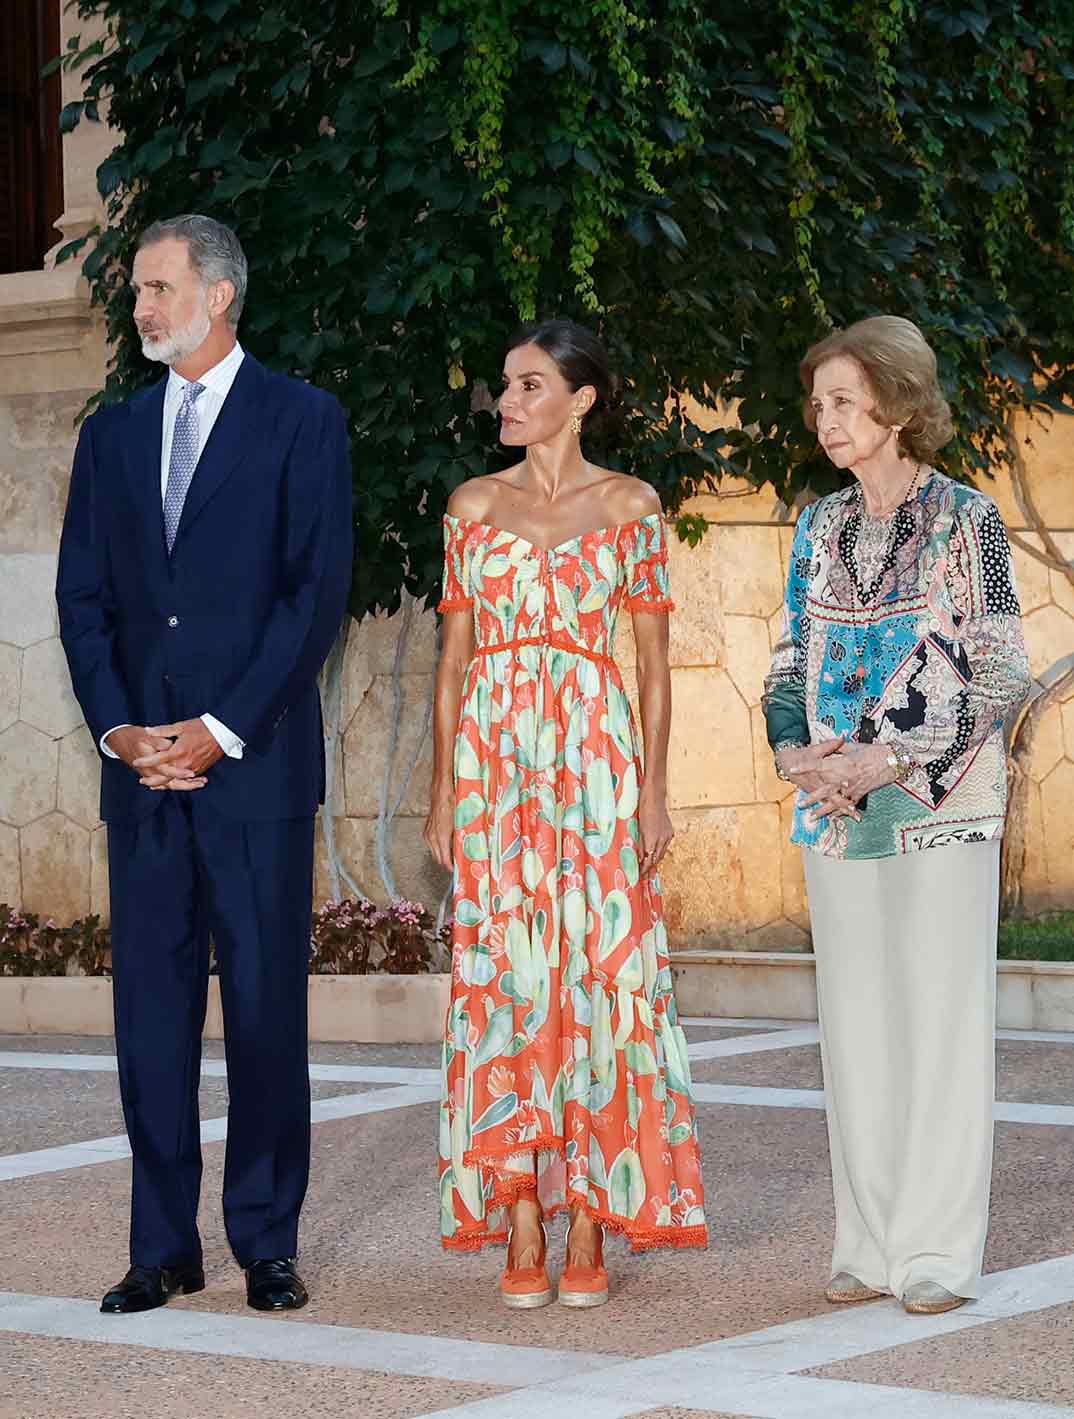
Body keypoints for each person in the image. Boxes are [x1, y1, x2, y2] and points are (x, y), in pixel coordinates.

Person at [56, 214, 352, 1315]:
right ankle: (161, 1247)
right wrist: (123, 731)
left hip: (254, 768)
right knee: (151, 1018)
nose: (142, 305)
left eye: (160, 287)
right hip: (140, 779)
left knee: (268, 1010)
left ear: (219, 296)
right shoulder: (112, 436)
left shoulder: (303, 421)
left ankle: (265, 1241)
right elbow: (82, 600)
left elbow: (311, 595)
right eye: (140, 289)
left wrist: (220, 729)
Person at [424, 319, 706, 1308]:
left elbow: (655, 668)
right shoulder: (470, 505)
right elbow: (453, 666)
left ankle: (592, 1207)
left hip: (594, 769)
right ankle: (522, 1212)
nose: (506, 401)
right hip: (499, 768)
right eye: (505, 384)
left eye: (530, 384)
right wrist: (441, 795)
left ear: (582, 400)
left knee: (599, 980)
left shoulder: (631, 505)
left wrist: (656, 793)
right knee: (508, 982)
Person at [764, 315, 1030, 1315]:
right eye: (818, 401)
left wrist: (891, 757)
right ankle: (870, 1242)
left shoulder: (974, 522)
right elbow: (788, 653)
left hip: (940, 805)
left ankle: (935, 1255)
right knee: (857, 1026)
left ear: (897, 400)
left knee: (940, 1023)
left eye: (841, 398)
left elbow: (999, 666)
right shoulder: (818, 526)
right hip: (836, 807)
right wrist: (797, 754)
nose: (823, 417)